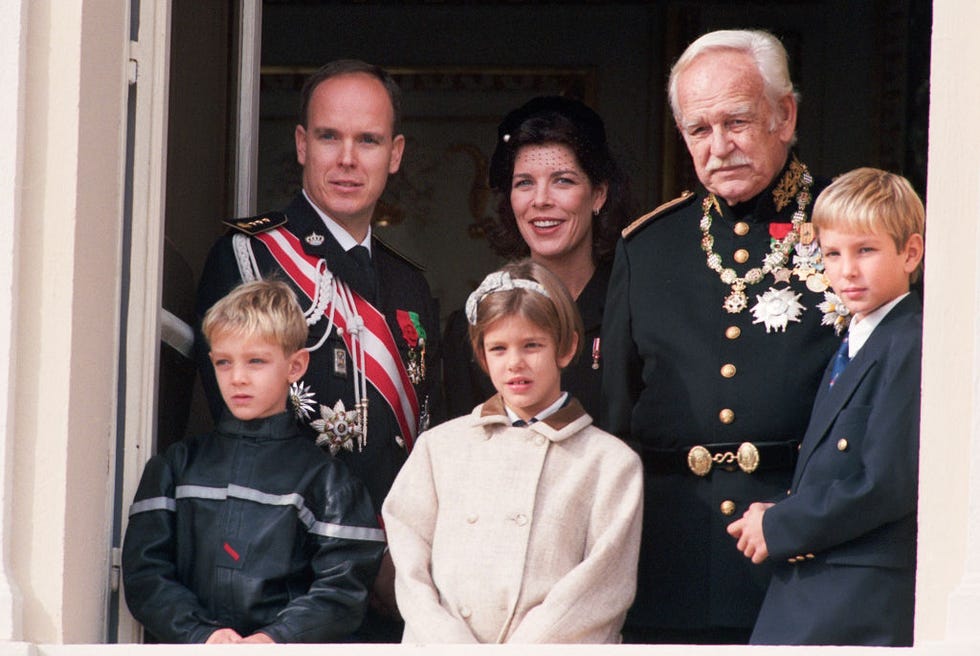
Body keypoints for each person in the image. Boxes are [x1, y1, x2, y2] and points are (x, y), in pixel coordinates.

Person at [600, 29, 842, 643]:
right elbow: (616, 421)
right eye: (699, 130)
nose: (720, 146)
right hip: (668, 569)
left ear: (784, 115)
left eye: (736, 121)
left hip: (800, 565)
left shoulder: (848, 232)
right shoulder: (649, 247)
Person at [194, 59, 441, 638]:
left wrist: (405, 562)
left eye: (369, 140)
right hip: (283, 584)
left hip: (394, 588)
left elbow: (430, 445)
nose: (348, 158)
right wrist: (352, 552)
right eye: (330, 136)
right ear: (302, 144)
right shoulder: (250, 258)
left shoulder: (412, 286)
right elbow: (243, 433)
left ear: (396, 153)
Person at [382, 259, 643, 644]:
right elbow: (409, 567)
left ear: (567, 347)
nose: (515, 363)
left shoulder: (610, 464)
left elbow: (601, 588)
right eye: (498, 348)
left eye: (532, 345)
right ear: (481, 355)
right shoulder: (439, 450)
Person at [123, 280, 386, 644]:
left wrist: (274, 639)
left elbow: (343, 591)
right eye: (224, 362)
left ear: (296, 365)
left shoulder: (327, 481)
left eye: (256, 361)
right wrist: (202, 635)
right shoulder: (175, 466)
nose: (237, 378)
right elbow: (145, 575)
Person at [728, 168, 924, 646]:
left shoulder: (911, 340)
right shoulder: (861, 336)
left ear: (911, 252)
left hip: (860, 594)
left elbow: (885, 482)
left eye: (866, 250)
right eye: (832, 253)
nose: (847, 271)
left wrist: (781, 523)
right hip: (824, 585)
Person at [443, 95, 631, 419]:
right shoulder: (473, 324)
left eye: (563, 181)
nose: (541, 200)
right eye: (525, 183)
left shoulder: (634, 311)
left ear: (598, 194)